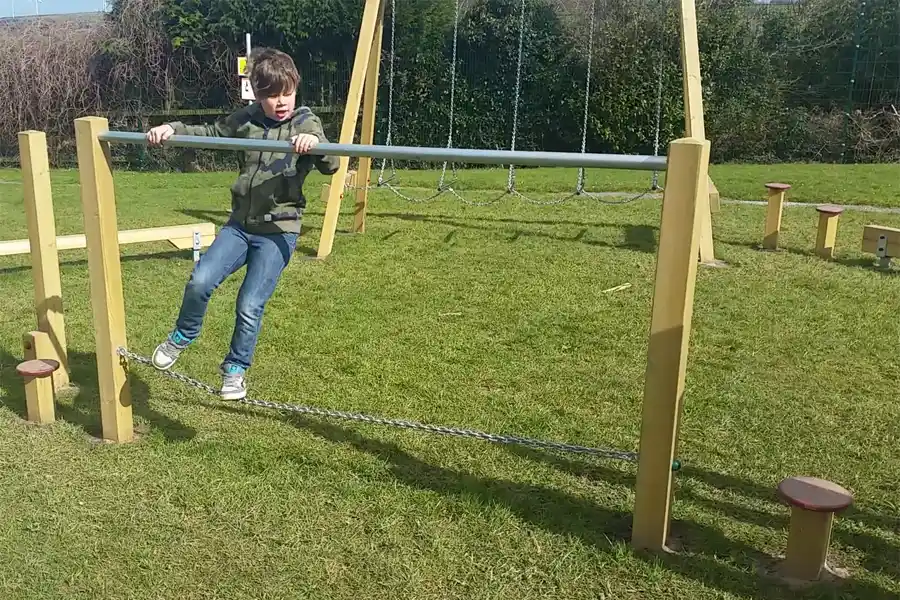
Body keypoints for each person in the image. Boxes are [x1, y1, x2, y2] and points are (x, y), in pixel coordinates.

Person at [144, 47, 340, 400]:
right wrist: (170, 128)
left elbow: (332, 164)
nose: (280, 102)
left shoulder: (305, 122)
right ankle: (183, 336)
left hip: (279, 230)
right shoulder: (247, 120)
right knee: (200, 280)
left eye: (287, 93)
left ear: (296, 87)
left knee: (249, 304)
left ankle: (235, 369)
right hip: (240, 226)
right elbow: (209, 130)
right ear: (258, 94)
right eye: (271, 95)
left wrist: (315, 145)